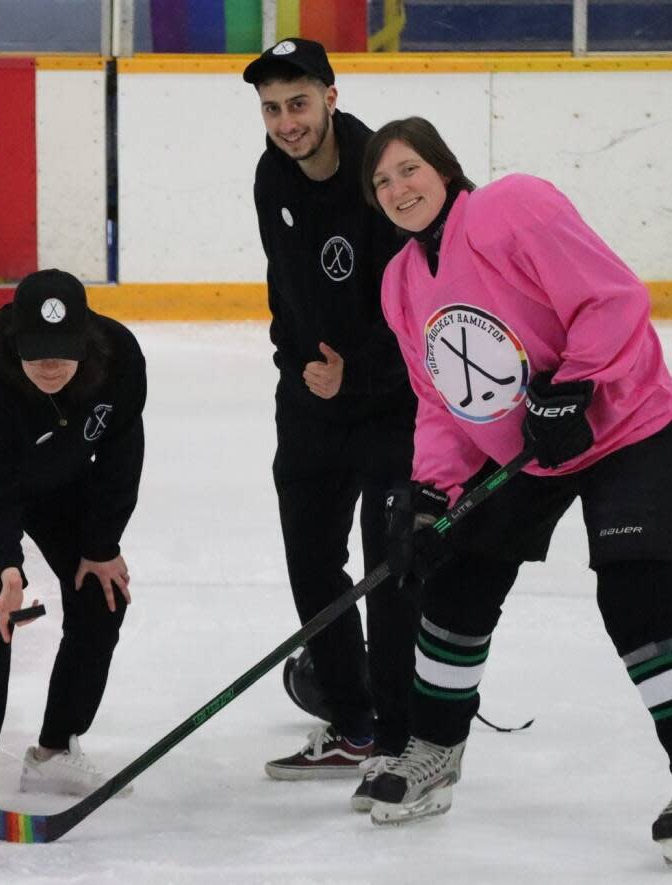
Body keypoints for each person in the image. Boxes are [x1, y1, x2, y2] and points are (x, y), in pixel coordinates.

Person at [359, 116, 672, 861]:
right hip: (524, 451)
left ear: (443, 167)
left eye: (408, 170)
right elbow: (439, 400)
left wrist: (574, 384)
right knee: (455, 585)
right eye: (382, 182)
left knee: (637, 594)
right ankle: (434, 749)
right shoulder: (400, 283)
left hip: (623, 425)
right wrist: (433, 493)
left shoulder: (511, 207)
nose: (398, 189)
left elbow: (613, 298)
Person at [242, 38, 420, 807]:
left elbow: (414, 303)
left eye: (299, 103)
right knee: (312, 560)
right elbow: (287, 289)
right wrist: (299, 369)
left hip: (389, 403)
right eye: (273, 109)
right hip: (311, 400)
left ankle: (402, 734)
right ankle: (351, 721)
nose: (286, 123)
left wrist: (361, 372)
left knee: (391, 568)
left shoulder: (378, 173)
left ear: (331, 96)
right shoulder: (269, 175)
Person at [0, 269, 145, 803]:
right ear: (17, 338)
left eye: (62, 351)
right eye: (37, 350)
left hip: (58, 477)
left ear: (85, 338)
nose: (49, 365)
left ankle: (55, 751)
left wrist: (101, 546)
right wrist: (5, 565)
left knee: (102, 597)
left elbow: (121, 451)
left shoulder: (120, 357)